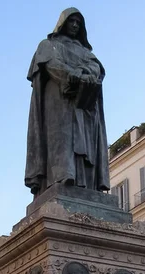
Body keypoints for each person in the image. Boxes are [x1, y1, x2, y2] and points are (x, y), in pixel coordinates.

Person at [25, 8, 110, 196]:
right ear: (62, 23)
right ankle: (61, 177)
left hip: (85, 105)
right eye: (71, 21)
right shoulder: (48, 45)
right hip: (59, 100)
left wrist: (87, 74)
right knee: (62, 139)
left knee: (86, 143)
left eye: (78, 23)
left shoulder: (85, 51)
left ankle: (87, 184)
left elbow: (96, 68)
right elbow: (52, 65)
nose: (74, 25)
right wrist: (75, 75)